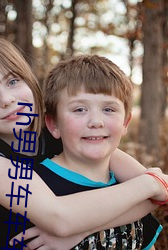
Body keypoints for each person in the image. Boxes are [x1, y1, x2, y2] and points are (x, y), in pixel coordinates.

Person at [0, 37, 168, 250]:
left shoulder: (52, 129)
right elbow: (60, 219)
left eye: (13, 82)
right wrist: (150, 182)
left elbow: (157, 195)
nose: (7, 99)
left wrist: (83, 230)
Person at [11, 54, 167, 249]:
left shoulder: (132, 189)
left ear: (125, 122)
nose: (96, 121)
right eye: (79, 110)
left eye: (109, 109)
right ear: (53, 124)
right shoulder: (37, 191)